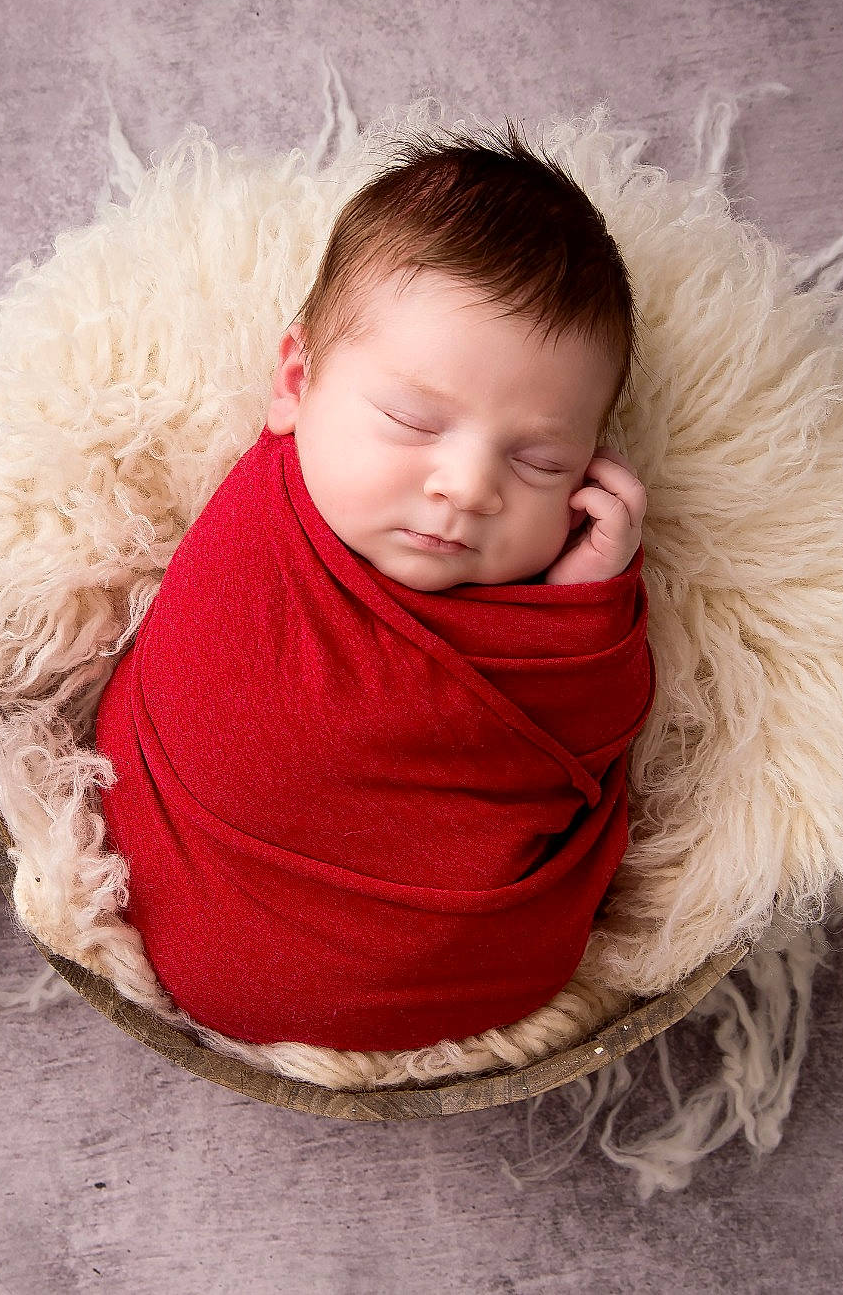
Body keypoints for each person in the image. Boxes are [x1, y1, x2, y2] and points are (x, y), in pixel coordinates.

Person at [93, 124, 657, 1052]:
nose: (468, 487)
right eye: (412, 420)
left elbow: (594, 732)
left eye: (540, 461)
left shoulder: (544, 584)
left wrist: (584, 612)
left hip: (454, 970)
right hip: (180, 888)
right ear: (296, 383)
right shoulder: (265, 525)